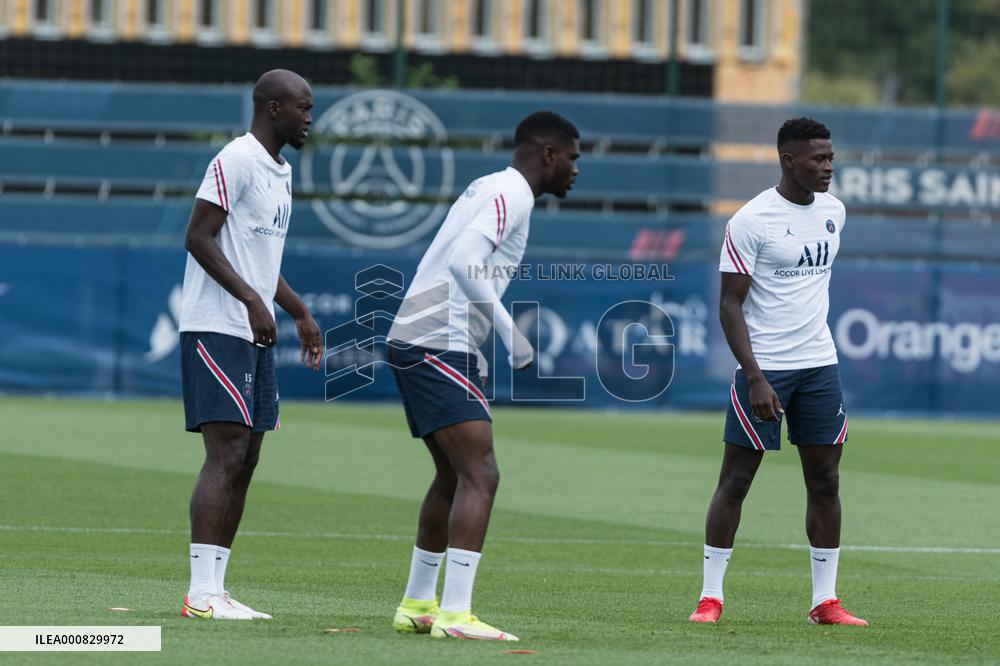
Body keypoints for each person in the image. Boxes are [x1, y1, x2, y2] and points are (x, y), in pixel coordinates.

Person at [385, 111, 580, 641]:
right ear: (548, 154)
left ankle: (417, 605)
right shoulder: (512, 193)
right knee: (481, 474)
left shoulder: (489, 186)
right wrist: (513, 338)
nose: (575, 170)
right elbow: (466, 262)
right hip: (436, 342)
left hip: (424, 339)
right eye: (573, 158)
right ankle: (455, 615)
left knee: (453, 475)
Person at [689, 118, 868, 626]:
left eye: (831, 157)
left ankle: (824, 602)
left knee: (826, 482)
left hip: (820, 368)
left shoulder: (835, 211)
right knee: (736, 480)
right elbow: (729, 305)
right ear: (789, 160)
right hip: (766, 369)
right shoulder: (751, 221)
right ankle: (710, 597)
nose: (829, 166)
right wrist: (755, 376)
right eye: (818, 158)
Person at [178, 69, 322, 620]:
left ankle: (216, 588)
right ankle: (200, 593)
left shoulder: (280, 171)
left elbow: (259, 260)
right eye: (302, 107)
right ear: (271, 108)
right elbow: (197, 237)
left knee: (250, 454)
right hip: (217, 324)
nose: (310, 117)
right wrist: (250, 301)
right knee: (227, 450)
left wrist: (299, 310)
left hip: (251, 327)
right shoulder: (236, 159)